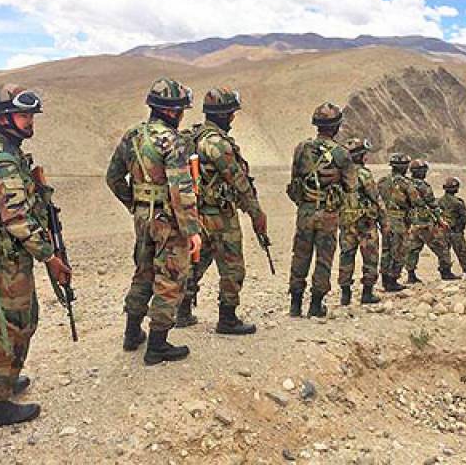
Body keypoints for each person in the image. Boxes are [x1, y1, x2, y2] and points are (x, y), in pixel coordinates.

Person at [0, 84, 71, 428]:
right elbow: (16, 219)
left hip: (6, 259)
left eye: (31, 115)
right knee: (8, 326)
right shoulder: (2, 162)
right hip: (4, 263)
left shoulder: (2, 151)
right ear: (3, 117)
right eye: (23, 115)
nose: (30, 122)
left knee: (22, 321)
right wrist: (50, 257)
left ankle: (7, 380)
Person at [106, 77, 201, 365]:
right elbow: (180, 189)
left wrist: (135, 204)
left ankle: (132, 333)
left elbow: (113, 177)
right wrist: (192, 230)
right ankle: (158, 345)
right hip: (169, 219)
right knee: (170, 278)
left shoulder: (132, 135)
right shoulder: (173, 141)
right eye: (181, 109)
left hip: (143, 217)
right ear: (172, 111)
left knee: (143, 272)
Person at [175, 87, 264, 335]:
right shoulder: (217, 144)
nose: (233, 118)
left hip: (196, 215)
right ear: (224, 114)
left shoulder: (191, 138)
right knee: (232, 267)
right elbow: (239, 181)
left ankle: (182, 312)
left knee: (196, 261)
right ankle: (227, 319)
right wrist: (256, 213)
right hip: (220, 216)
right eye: (232, 113)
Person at [286, 102, 356, 317]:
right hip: (328, 213)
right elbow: (350, 186)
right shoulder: (342, 154)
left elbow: (294, 181)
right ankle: (316, 305)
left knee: (300, 255)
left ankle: (295, 304)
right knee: (324, 259)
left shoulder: (302, 148)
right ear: (336, 127)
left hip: (305, 211)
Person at [338, 138, 383, 305]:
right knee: (370, 257)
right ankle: (367, 293)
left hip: (346, 222)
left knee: (346, 256)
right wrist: (384, 222)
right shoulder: (364, 174)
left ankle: (345, 294)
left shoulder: (339, 175)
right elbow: (376, 198)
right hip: (365, 223)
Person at [403, 160, 459, 283]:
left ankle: (411, 275)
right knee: (441, 246)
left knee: (413, 249)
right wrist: (440, 220)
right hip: (425, 223)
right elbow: (432, 204)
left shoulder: (406, 183)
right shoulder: (423, 186)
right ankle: (446, 272)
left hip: (412, 222)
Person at [377, 154, 412, 292]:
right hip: (399, 221)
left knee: (386, 250)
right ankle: (393, 280)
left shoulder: (382, 181)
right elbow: (416, 201)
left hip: (385, 220)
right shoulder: (405, 183)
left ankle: (385, 279)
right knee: (399, 250)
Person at [438, 177, 466, 278]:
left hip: (442, 230)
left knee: (444, 252)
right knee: (462, 252)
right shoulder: (458, 203)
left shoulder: (439, 201)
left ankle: (445, 272)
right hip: (456, 231)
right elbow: (465, 218)